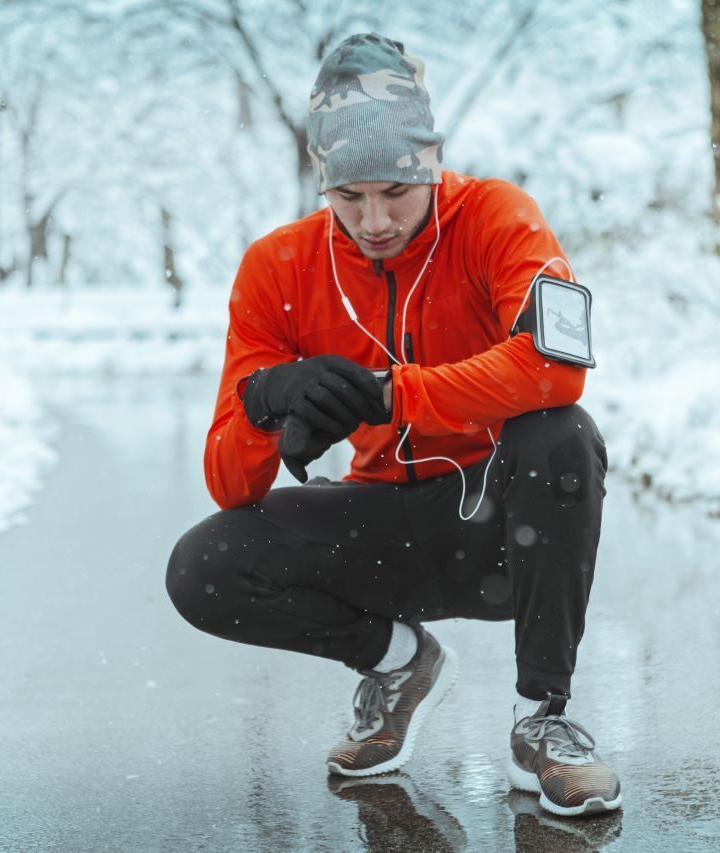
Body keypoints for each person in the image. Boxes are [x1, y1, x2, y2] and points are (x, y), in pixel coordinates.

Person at [166, 32, 620, 818]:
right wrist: (265, 399)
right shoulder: (277, 268)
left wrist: (390, 396)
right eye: (348, 197)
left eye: (394, 194)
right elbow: (228, 479)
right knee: (203, 565)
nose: (373, 220)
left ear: (430, 164)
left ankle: (543, 719)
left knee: (562, 433)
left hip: (497, 522)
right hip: (382, 528)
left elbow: (558, 367)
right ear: (322, 181)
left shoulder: (496, 217)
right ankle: (397, 663)